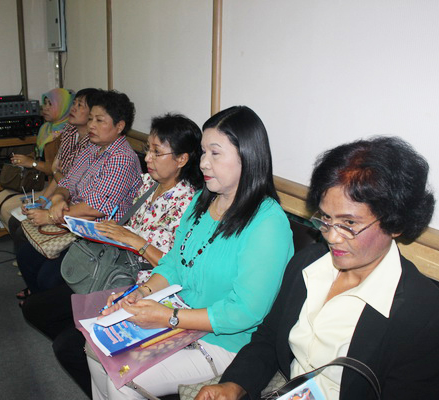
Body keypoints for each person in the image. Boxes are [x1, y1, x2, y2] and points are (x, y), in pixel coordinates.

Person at [196, 137, 439, 400]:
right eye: (326, 218)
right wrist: (234, 385)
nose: (332, 237)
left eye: (349, 224)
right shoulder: (308, 264)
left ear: (395, 223)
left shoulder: (424, 314)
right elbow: (269, 338)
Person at [88, 106, 294, 399]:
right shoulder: (201, 201)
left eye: (215, 153)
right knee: (96, 349)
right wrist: (141, 292)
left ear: (247, 157)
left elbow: (244, 313)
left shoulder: (268, 223)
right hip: (180, 319)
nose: (204, 164)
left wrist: (170, 317)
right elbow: (175, 263)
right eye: (203, 152)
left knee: (119, 382)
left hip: (226, 342)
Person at [21, 113, 204, 397]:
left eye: (157, 152)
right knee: (36, 308)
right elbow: (123, 224)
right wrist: (100, 230)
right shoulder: (147, 184)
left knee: (66, 346)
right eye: (148, 149)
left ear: (182, 159)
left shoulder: (190, 203)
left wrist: (135, 241)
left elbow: (177, 269)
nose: (148, 158)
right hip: (113, 268)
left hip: (144, 287)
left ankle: (102, 370)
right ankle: (94, 357)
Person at [16, 90, 142, 294]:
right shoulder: (92, 147)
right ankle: (38, 300)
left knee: (48, 277)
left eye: (99, 120)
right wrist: (58, 198)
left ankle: (46, 303)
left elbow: (96, 209)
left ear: (119, 126)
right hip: (74, 224)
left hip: (101, 238)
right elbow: (68, 181)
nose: (91, 125)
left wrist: (51, 216)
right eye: (91, 118)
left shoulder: (122, 158)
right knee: (26, 255)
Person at [0, 87, 80, 230]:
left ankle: (25, 233)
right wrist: (25, 160)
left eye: (50, 104)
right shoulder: (45, 128)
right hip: (37, 180)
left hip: (51, 183)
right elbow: (40, 154)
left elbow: (57, 170)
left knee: (7, 207)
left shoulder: (68, 133)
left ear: (63, 107)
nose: (45, 108)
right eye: (45, 103)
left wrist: (31, 163)